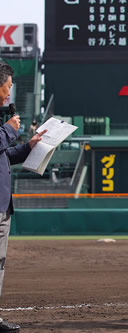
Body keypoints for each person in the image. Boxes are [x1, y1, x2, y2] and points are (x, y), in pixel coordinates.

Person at [0, 61, 46, 333]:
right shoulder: (5, 125)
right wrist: (8, 130)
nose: (9, 94)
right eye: (7, 88)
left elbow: (4, 155)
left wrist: (28, 147)